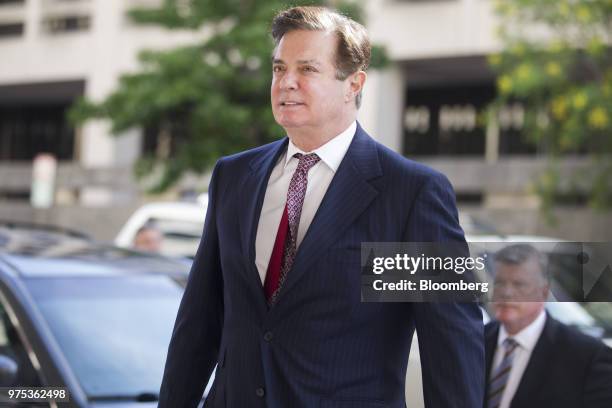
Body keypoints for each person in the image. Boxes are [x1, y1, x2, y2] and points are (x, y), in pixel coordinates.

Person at [159, 6, 484, 408]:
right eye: (279, 69)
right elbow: (198, 322)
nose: (286, 83)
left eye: (307, 70)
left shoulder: (412, 194)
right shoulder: (233, 177)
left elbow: (451, 345)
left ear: (353, 83)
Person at [485, 244, 612, 408]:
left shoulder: (588, 357)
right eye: (500, 283)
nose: (507, 293)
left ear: (543, 293)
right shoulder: (474, 341)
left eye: (519, 284)